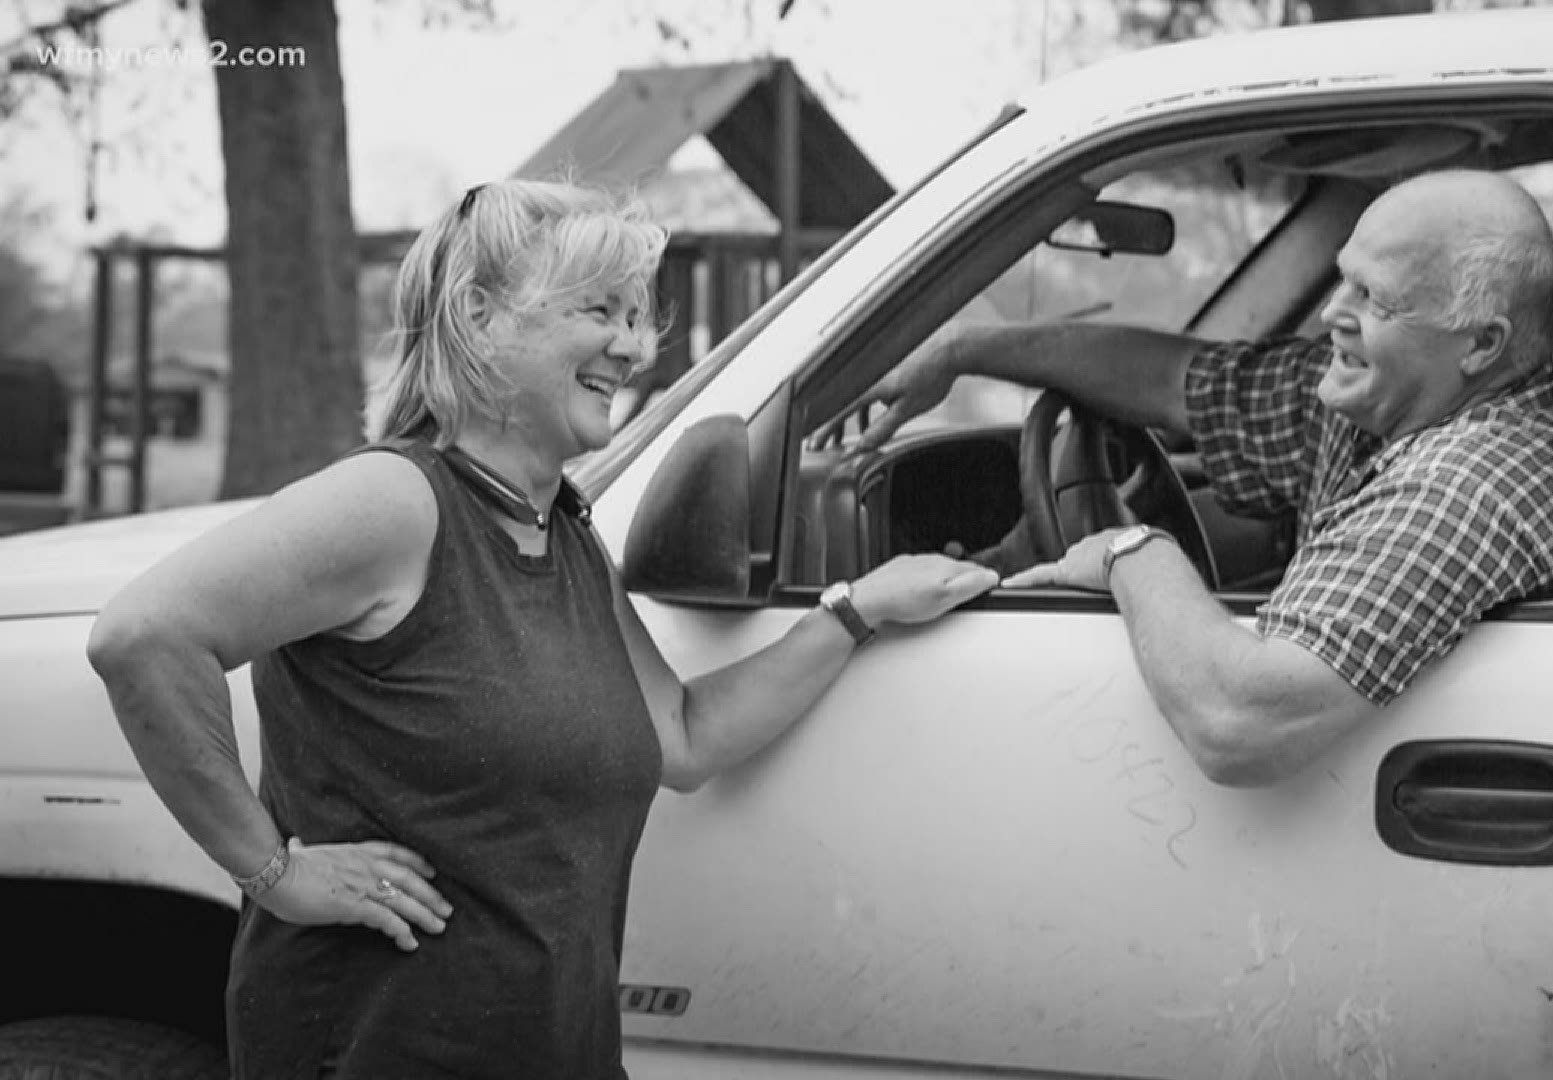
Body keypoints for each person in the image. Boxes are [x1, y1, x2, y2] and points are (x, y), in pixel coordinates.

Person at [84, 179, 999, 1079]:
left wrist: (859, 608)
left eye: (639, 318)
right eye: (601, 311)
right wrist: (275, 874)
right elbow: (144, 638)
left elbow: (684, 736)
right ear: (481, 315)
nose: (634, 347)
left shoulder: (557, 527)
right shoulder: (397, 501)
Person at [854, 168, 1553, 788]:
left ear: (1482, 344)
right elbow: (1178, 382)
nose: (1333, 312)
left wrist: (1129, 551)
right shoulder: (1399, 393)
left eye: (1375, 299)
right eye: (1343, 279)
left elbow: (1238, 720)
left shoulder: (1464, 485)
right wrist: (962, 349)